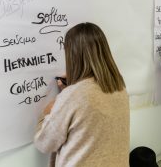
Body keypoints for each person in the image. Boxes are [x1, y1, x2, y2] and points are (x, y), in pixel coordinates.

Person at [34, 23, 129, 167]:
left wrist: (47, 112)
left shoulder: (73, 96)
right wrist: (73, 89)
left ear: (73, 55)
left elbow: (44, 143)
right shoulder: (119, 87)